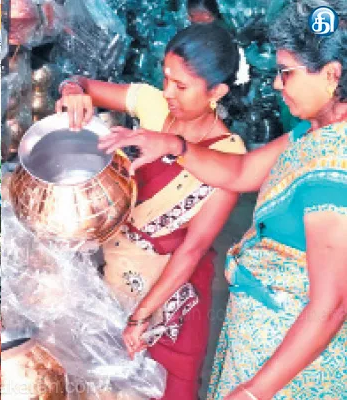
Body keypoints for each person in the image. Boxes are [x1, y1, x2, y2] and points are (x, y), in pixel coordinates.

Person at [101, 1, 347, 398]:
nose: (278, 84)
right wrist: (173, 142)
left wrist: (252, 392)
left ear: (332, 75)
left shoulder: (335, 171)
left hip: (293, 375)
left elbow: (330, 307)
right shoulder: (310, 133)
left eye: (287, 73)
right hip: (255, 347)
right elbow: (240, 172)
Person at [57, 22, 249, 399]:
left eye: (181, 86)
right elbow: (81, 83)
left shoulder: (228, 155)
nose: (167, 93)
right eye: (166, 79)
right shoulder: (152, 105)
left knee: (167, 388)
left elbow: (192, 250)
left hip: (174, 303)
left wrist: (140, 316)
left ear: (217, 92)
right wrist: (72, 90)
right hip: (115, 275)